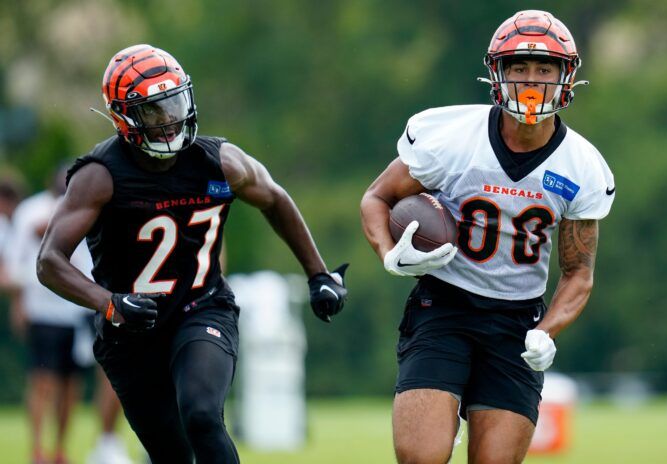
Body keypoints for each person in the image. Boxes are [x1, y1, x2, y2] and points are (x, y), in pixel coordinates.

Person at [37, 44, 347, 464]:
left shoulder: (221, 162)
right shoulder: (100, 177)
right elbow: (49, 262)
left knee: (201, 415)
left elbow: (275, 199)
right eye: (153, 111)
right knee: (172, 453)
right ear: (123, 116)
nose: (169, 120)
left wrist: (318, 274)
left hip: (201, 308)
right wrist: (108, 303)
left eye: (173, 103)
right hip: (130, 328)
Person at [361, 10, 614, 464]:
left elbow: (578, 273)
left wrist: (546, 332)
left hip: (516, 325)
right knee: (420, 456)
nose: (531, 79)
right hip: (444, 307)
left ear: (566, 77)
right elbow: (377, 198)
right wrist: (389, 253)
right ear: (497, 73)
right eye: (519, 67)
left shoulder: (582, 166)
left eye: (544, 68)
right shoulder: (452, 137)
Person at [4, 166, 94, 464]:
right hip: (43, 309)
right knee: (42, 381)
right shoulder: (31, 211)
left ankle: (59, 449)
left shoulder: (93, 205)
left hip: (78, 309)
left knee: (71, 385)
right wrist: (19, 304)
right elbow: (17, 260)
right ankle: (37, 449)